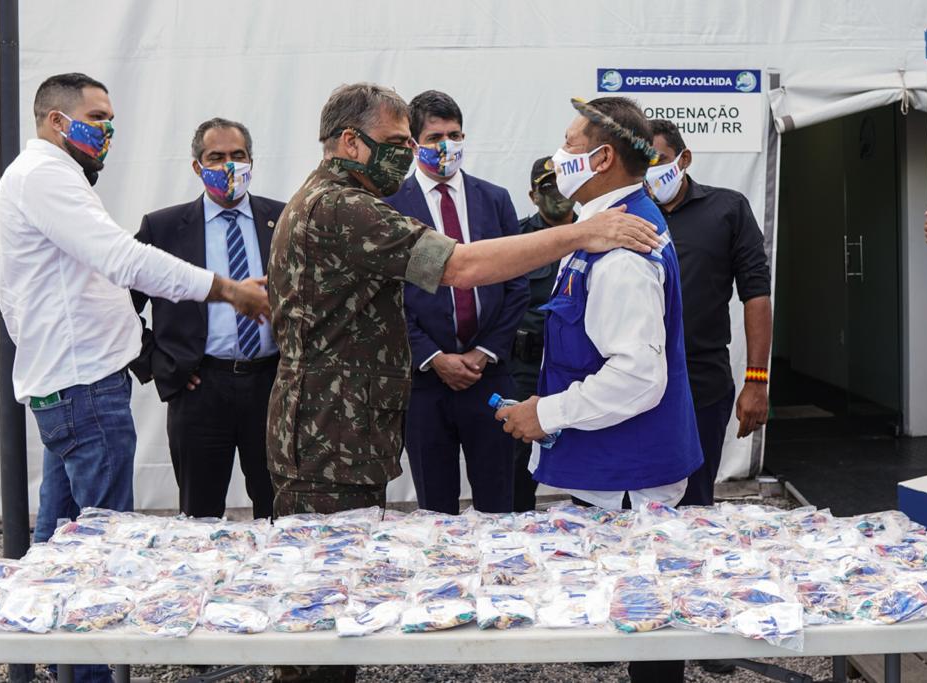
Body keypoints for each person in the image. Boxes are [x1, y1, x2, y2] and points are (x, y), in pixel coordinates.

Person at [0, 73, 269, 683]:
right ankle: (87, 674)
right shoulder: (46, 177)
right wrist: (225, 290)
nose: (108, 129)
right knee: (103, 555)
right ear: (56, 120)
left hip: (75, 385)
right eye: (97, 117)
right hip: (85, 391)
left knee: (61, 547)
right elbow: (122, 260)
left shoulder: (46, 177)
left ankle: (61, 667)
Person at [266, 82, 662, 518]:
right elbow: (459, 267)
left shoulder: (328, 198)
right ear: (350, 142)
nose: (408, 152)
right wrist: (582, 233)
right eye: (396, 142)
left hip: (339, 428)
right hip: (331, 435)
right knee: (332, 553)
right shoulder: (343, 207)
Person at [494, 97, 703, 683]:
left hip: (628, 481)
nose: (559, 155)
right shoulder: (603, 228)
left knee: (647, 633)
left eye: (569, 144)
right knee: (634, 624)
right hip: (619, 471)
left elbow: (637, 375)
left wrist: (547, 414)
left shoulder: (620, 250)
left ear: (603, 157)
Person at [130, 118, 285, 520]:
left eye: (238, 155)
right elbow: (119, 304)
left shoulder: (284, 219)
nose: (228, 165)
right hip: (200, 388)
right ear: (197, 166)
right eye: (216, 157)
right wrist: (157, 364)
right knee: (200, 516)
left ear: (252, 161)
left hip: (271, 385)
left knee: (279, 511)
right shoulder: (163, 228)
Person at [385, 90, 529, 514]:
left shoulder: (494, 199)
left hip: (488, 376)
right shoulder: (390, 206)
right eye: (435, 137)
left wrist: (484, 353)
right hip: (425, 383)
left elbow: (517, 284)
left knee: (498, 503)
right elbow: (387, 296)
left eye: (455, 134)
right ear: (413, 144)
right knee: (435, 509)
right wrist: (433, 357)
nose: (446, 145)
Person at [646, 119, 772, 508]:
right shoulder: (625, 214)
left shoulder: (728, 209)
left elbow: (756, 293)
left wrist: (756, 381)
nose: (650, 171)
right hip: (634, 377)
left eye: (658, 159)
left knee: (694, 500)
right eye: (641, 161)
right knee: (634, 502)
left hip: (700, 378)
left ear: (684, 159)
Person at [511, 156, 576, 512]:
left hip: (579, 369)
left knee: (588, 462)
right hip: (526, 368)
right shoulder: (517, 239)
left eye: (562, 184)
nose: (557, 194)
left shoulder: (596, 232)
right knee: (517, 466)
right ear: (533, 196)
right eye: (547, 187)